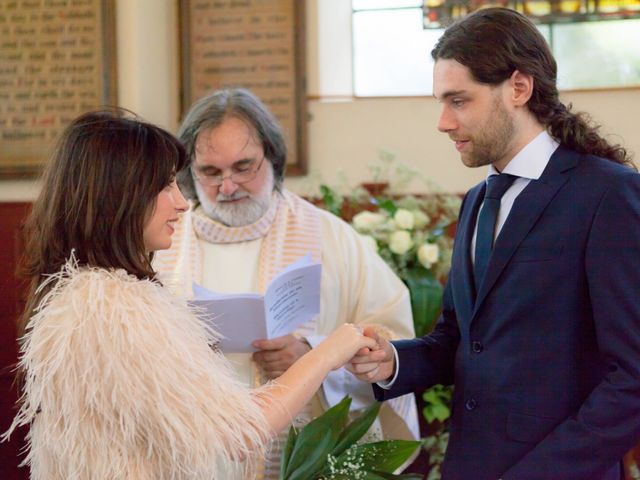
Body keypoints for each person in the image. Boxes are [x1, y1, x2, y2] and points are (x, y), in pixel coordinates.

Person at [2, 109, 377, 480]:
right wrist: (329, 351)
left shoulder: (85, 292)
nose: (182, 202)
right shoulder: (114, 308)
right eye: (165, 185)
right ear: (120, 196)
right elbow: (240, 431)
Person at [348, 7, 640, 480]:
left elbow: (632, 378)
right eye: (440, 102)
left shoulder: (608, 195)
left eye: (458, 101)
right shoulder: (477, 201)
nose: (443, 121)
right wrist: (392, 360)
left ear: (519, 89)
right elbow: (461, 339)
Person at [153, 87, 419, 478]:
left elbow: (388, 341)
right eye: (210, 172)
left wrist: (311, 356)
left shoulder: (330, 239)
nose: (227, 187)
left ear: (273, 159)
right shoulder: (162, 244)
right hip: (191, 455)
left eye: (244, 167)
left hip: (296, 456)